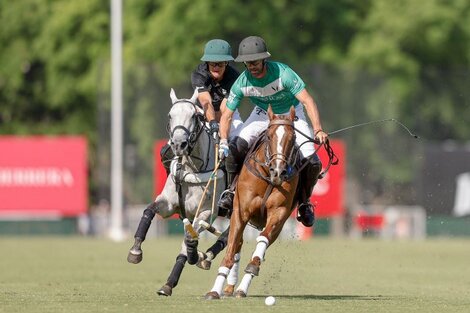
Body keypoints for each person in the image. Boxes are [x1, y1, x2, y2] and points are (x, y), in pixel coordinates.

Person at [217, 36, 328, 227]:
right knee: (235, 149)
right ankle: (230, 191)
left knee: (313, 161)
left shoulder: (283, 74)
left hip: (292, 114)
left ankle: (304, 203)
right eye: (247, 62)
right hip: (262, 114)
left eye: (255, 61)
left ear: (264, 59)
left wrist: (317, 129)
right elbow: (227, 114)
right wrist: (224, 141)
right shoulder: (242, 82)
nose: (251, 66)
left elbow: (307, 101)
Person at [160, 39, 243, 217]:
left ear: (226, 63)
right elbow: (205, 101)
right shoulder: (199, 73)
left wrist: (221, 131)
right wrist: (211, 123)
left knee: (238, 148)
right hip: (203, 115)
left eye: (220, 64)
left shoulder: (235, 78)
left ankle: (231, 193)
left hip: (229, 116)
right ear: (207, 63)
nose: (216, 67)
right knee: (166, 150)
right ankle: (175, 183)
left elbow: (225, 109)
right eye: (212, 63)